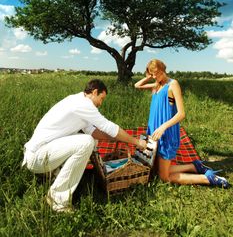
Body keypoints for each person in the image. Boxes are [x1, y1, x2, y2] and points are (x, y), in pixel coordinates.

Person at [22, 79, 147, 212]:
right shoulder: (84, 104)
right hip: (37, 158)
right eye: (101, 98)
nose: (101, 103)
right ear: (94, 92)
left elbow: (93, 131)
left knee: (90, 139)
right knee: (87, 142)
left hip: (42, 154)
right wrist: (137, 142)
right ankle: (57, 200)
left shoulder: (77, 101)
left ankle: (54, 173)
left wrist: (116, 139)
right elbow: (108, 127)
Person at [135, 59, 229, 188]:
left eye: (157, 73)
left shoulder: (172, 85)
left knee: (164, 177)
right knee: (156, 170)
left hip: (166, 132)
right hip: (155, 132)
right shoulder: (156, 85)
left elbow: (181, 114)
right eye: (153, 74)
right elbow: (137, 85)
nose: (155, 76)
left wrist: (163, 127)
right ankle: (195, 166)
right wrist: (148, 77)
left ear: (163, 69)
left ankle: (208, 178)